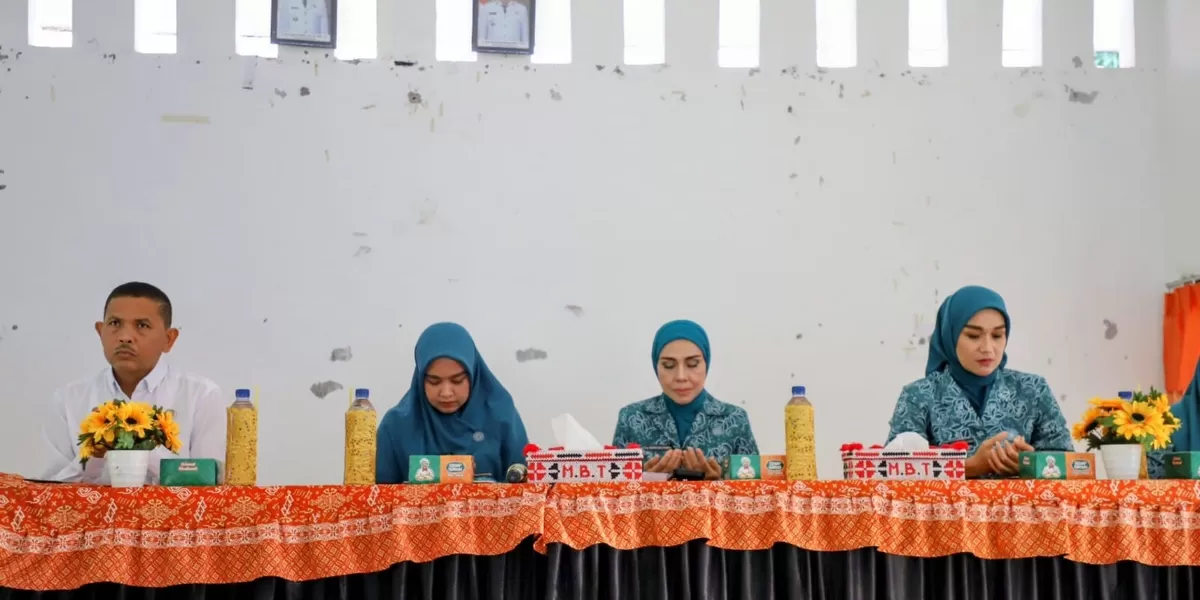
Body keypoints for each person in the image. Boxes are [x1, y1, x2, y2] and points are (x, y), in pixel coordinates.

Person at [36, 282, 226, 484]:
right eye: (115, 324)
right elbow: (49, 489)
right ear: (101, 332)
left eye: (142, 325)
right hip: (92, 516)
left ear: (169, 339)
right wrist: (94, 457)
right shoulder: (67, 400)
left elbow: (209, 484)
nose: (125, 337)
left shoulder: (201, 395)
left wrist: (145, 448)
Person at [886, 285, 1072, 478]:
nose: (987, 348)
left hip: (1020, 508)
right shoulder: (918, 395)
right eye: (973, 336)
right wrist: (970, 467)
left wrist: (1030, 464)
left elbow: (1070, 462)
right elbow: (893, 470)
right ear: (949, 336)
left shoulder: (1033, 390)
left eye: (997, 335)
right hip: (945, 508)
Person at [376, 323, 529, 483]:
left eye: (457, 380)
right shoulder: (396, 426)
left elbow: (526, 488)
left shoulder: (500, 414)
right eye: (434, 381)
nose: (446, 393)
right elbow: (375, 499)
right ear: (420, 379)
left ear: (473, 374)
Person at [612, 320, 759, 480]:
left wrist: (718, 484)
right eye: (669, 365)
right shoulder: (631, 418)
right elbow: (610, 495)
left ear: (706, 364)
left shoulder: (735, 420)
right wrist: (645, 482)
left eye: (692, 364)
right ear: (656, 366)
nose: (681, 376)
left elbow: (757, 497)